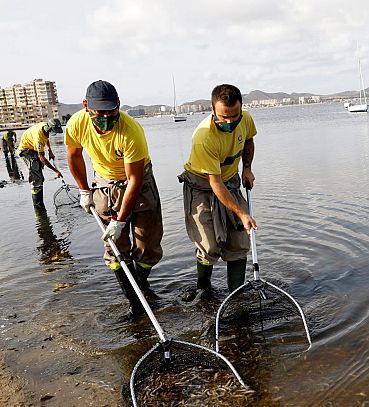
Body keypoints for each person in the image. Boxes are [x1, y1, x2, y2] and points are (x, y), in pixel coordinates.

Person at [65, 80, 163, 316]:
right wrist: (84, 190)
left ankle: (141, 284)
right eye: (100, 112)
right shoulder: (77, 123)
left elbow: (134, 181)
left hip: (138, 181)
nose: (106, 118)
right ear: (86, 106)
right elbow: (75, 156)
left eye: (112, 111)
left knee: (147, 244)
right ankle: (134, 302)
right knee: (115, 247)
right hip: (105, 184)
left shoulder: (131, 131)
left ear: (119, 105)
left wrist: (120, 220)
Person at [178, 84, 258, 304]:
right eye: (224, 118)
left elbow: (249, 140)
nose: (230, 123)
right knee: (209, 246)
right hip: (202, 185)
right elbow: (215, 184)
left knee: (240, 241)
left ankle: (236, 295)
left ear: (241, 110)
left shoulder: (246, 119)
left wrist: (247, 168)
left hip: (230, 181)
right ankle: (203, 290)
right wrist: (243, 213)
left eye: (235, 116)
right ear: (213, 111)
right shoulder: (204, 137)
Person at [18, 119, 63, 211]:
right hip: (26, 152)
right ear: (49, 128)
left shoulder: (45, 127)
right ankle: (38, 206)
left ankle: (40, 202)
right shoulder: (38, 137)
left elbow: (46, 138)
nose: (50, 134)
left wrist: (50, 150)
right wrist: (56, 171)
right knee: (36, 177)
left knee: (40, 177)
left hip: (33, 149)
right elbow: (42, 158)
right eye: (51, 131)